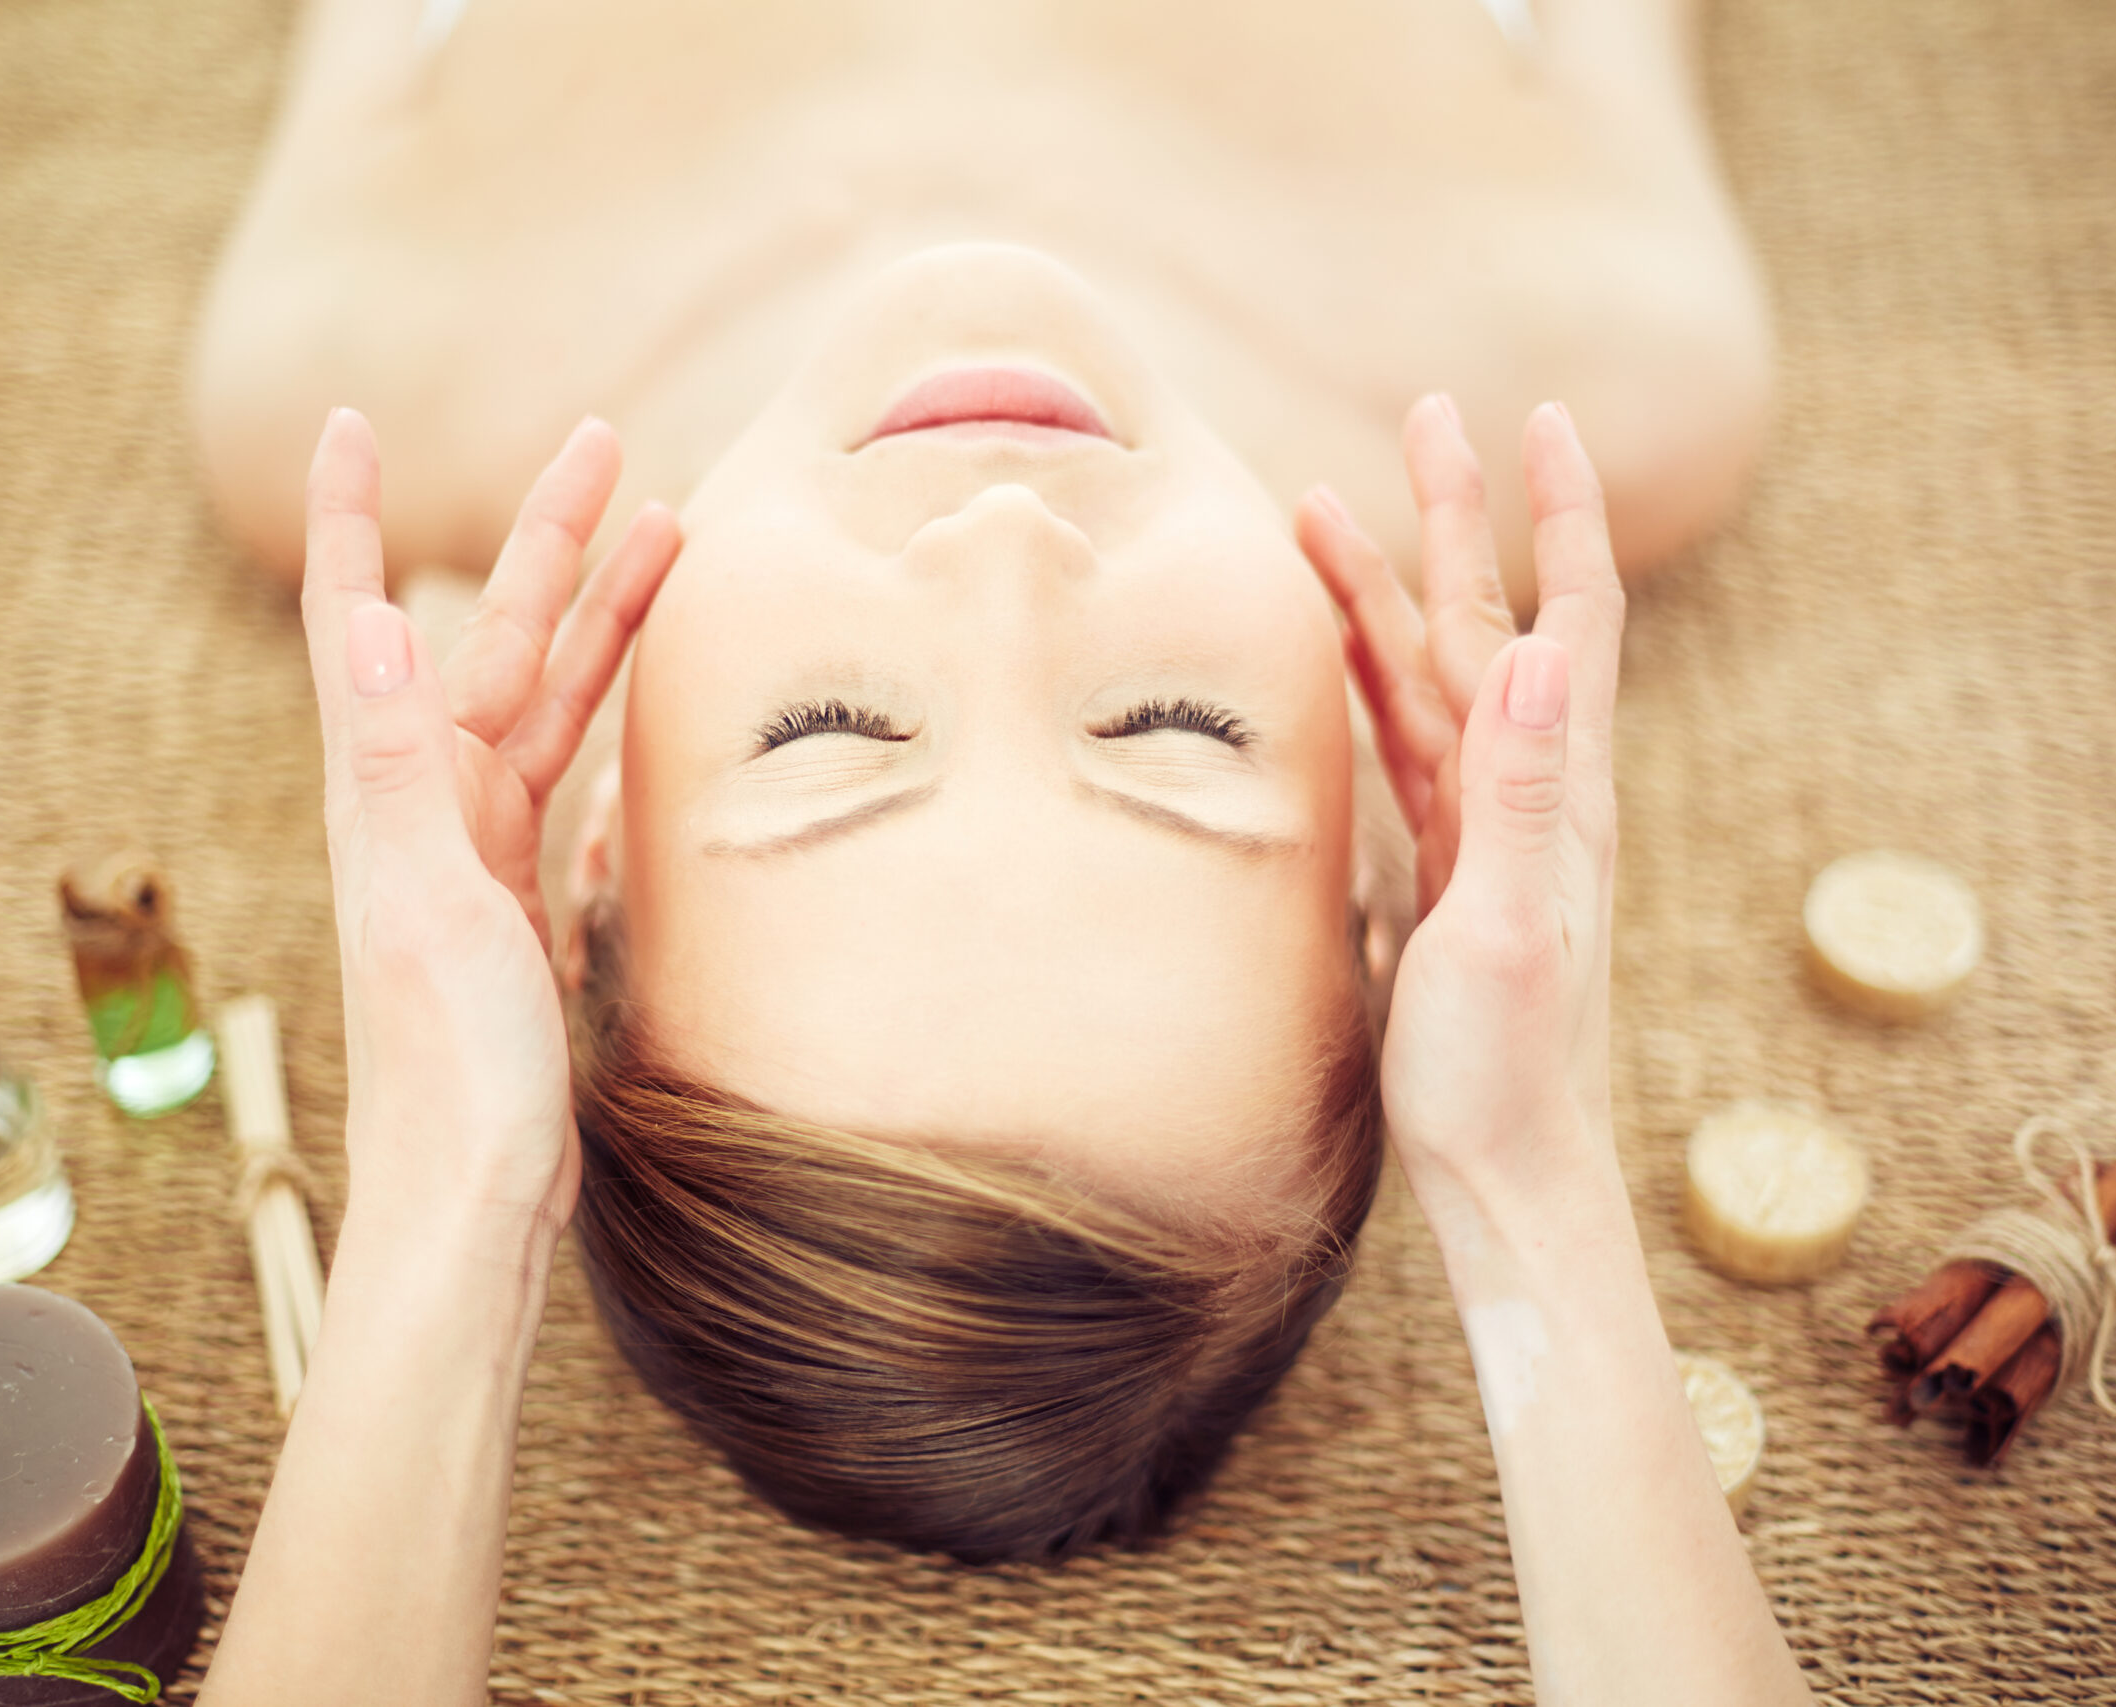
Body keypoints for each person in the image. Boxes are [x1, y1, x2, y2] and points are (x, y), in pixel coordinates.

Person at [191, 5, 1807, 1703]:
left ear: (595, 849)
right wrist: (1529, 1167)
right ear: (1382, 884)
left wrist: (447, 1190)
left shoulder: (354, 341)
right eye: (1171, 723)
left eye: (828, 730)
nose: (1005, 553)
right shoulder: (1620, 336)